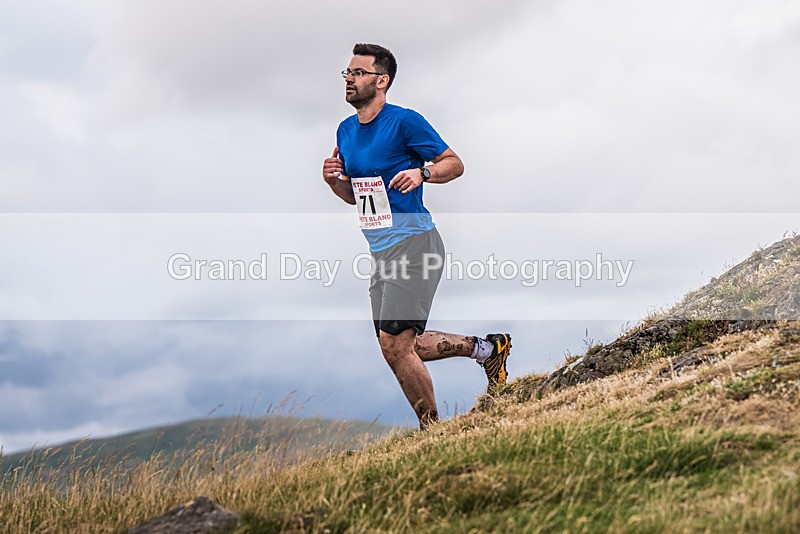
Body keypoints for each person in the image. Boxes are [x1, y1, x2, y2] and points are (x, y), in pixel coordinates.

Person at [321, 43, 511, 429]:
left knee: (395, 343)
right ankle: (488, 349)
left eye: (358, 73)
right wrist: (332, 182)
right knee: (398, 345)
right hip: (380, 251)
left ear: (381, 80)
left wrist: (423, 173)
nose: (349, 79)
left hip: (416, 243)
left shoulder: (404, 122)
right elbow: (355, 196)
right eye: (347, 72)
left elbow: (453, 163)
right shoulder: (345, 130)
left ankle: (432, 432)